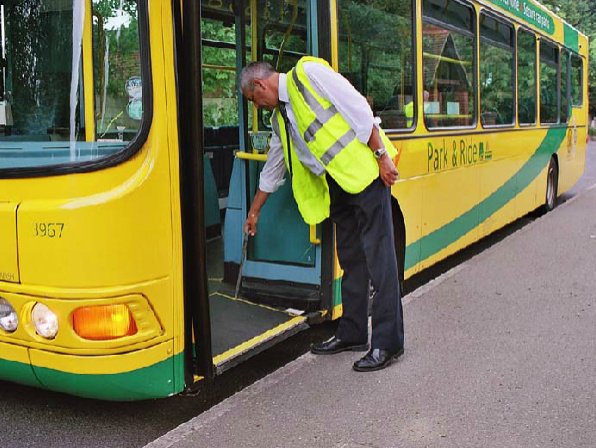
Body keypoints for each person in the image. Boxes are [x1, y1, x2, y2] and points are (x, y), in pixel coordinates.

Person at [239, 57, 404, 372]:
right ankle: (353, 332)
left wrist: (382, 157)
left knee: (380, 261)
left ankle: (388, 343)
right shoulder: (280, 119)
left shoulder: (309, 74)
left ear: (260, 85)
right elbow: (274, 167)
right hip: (337, 186)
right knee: (351, 260)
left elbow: (358, 110)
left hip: (366, 176)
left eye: (253, 100)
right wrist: (254, 211)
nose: (257, 107)